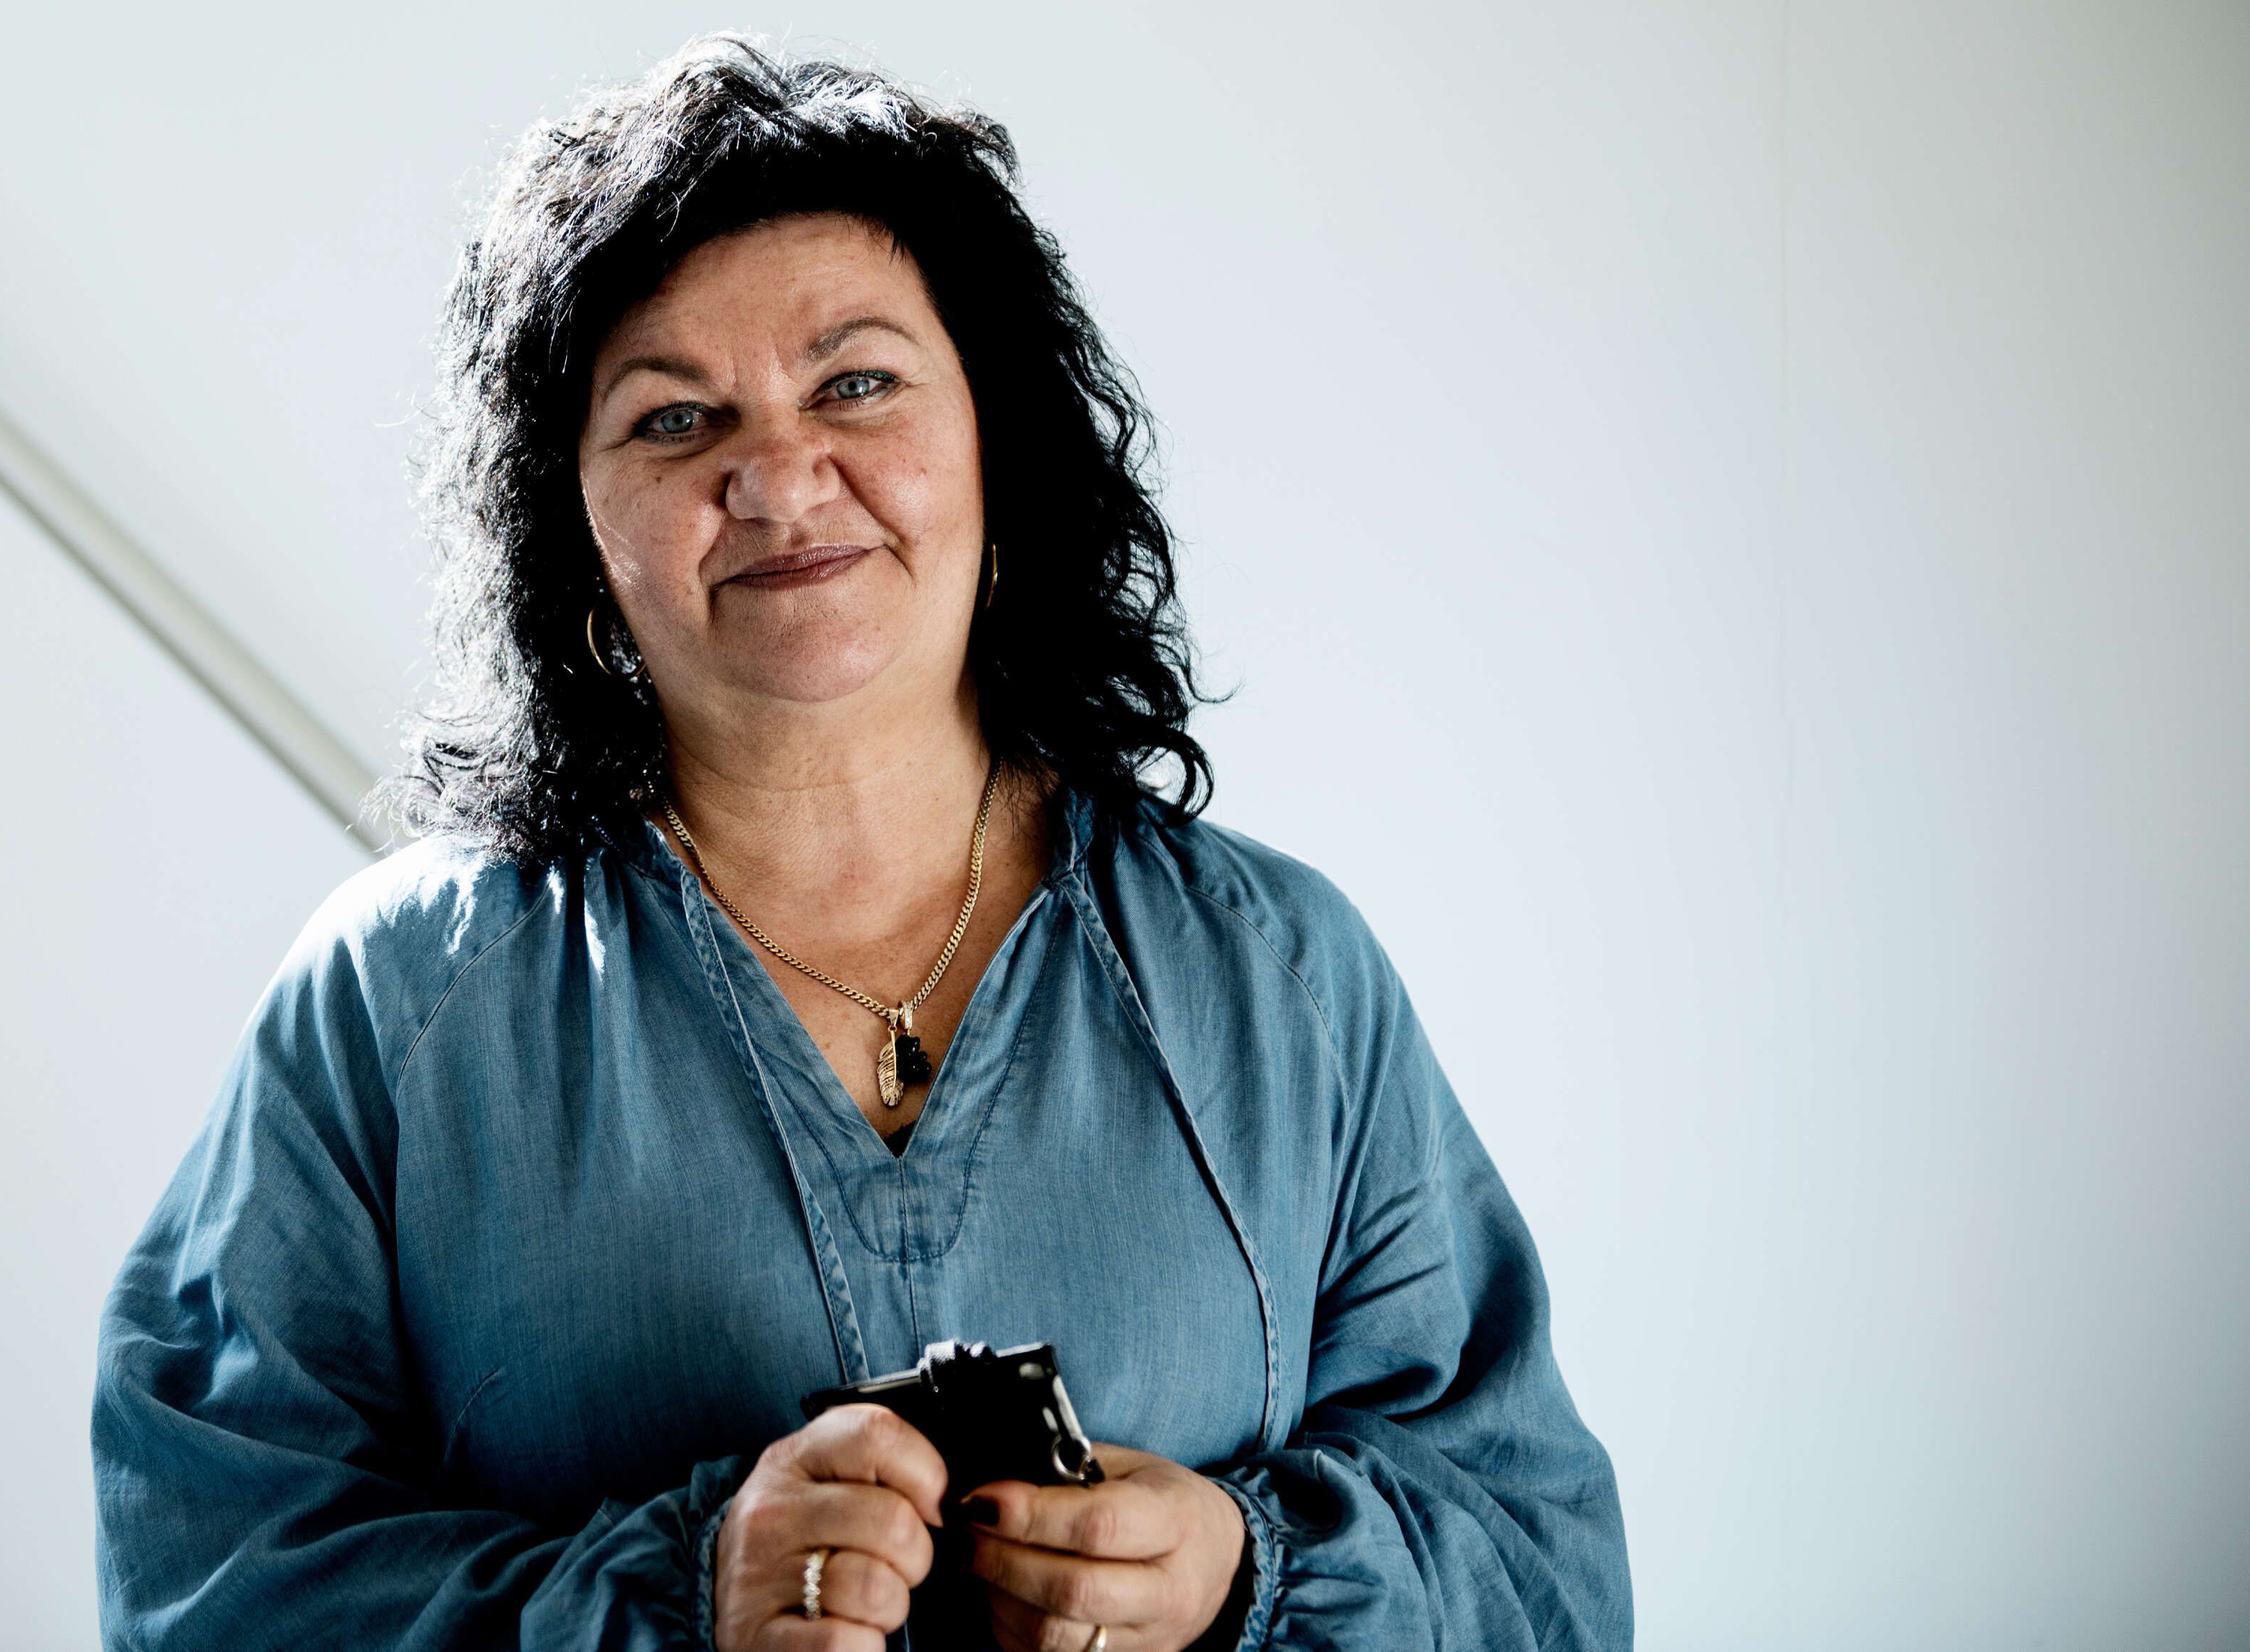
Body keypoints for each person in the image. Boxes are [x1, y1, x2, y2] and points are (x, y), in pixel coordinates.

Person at [93, 37, 1630, 1652]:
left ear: (998, 442)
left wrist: (1248, 1572)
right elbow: (204, 1581)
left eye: (855, 384)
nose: (776, 474)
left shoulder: (1283, 978)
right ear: (575, 530)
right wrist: (674, 1601)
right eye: (675, 417)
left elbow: (1542, 1564)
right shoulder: (394, 1006)